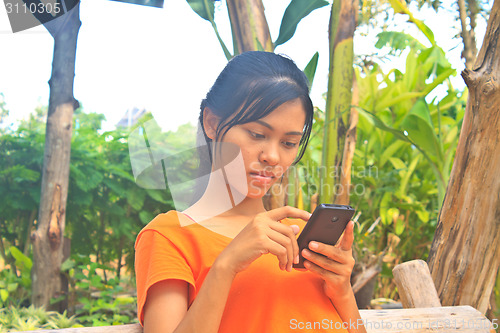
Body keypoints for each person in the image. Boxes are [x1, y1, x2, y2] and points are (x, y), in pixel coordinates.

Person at [135, 51, 367, 333]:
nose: (273, 156)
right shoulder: (171, 236)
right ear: (211, 122)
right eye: (257, 134)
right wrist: (226, 266)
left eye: (289, 143)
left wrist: (341, 290)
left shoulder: (301, 237)